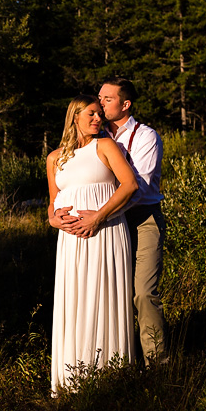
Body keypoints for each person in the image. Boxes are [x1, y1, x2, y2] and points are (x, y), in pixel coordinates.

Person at [57, 78, 167, 365]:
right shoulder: (95, 134)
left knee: (142, 293)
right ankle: (110, 358)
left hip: (141, 219)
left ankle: (156, 363)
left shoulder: (145, 137)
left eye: (107, 99)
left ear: (125, 104)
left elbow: (137, 188)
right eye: (99, 99)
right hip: (105, 224)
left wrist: (99, 216)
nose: (100, 104)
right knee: (108, 290)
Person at [46, 94, 138, 395]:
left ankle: (111, 376)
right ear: (75, 117)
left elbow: (129, 185)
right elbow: (51, 205)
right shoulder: (54, 158)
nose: (99, 119)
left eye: (100, 113)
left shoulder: (106, 146)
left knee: (104, 295)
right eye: (92, 113)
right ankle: (74, 379)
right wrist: (55, 220)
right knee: (74, 300)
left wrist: (97, 217)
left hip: (105, 234)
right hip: (70, 243)